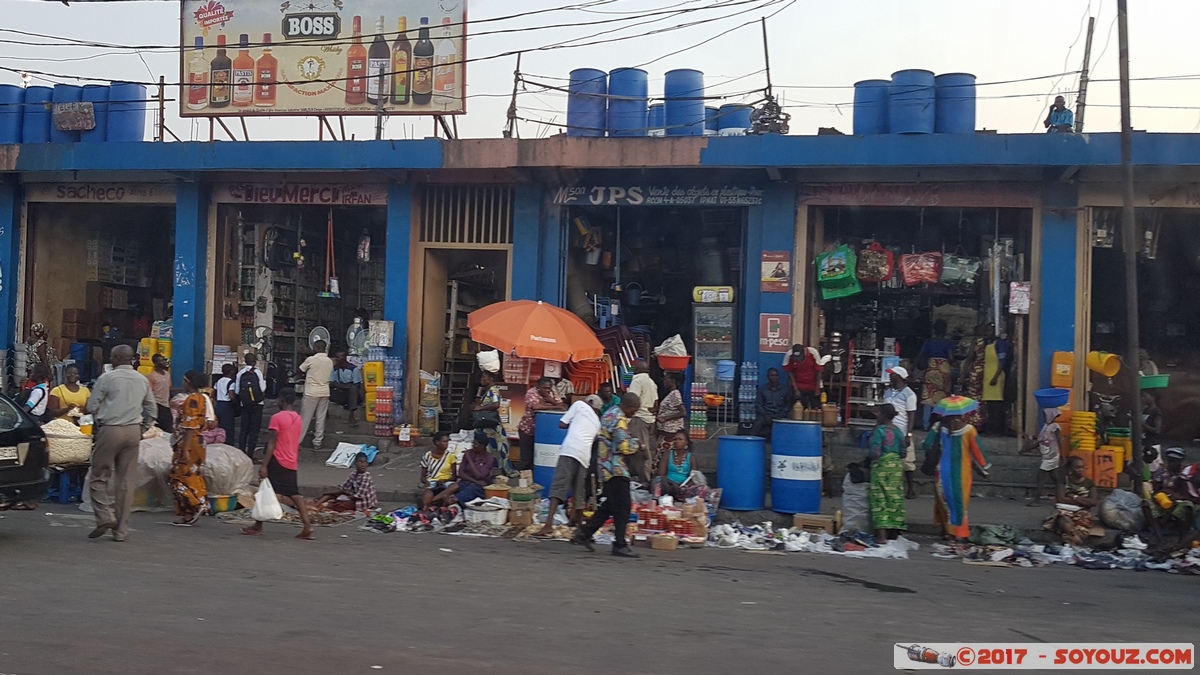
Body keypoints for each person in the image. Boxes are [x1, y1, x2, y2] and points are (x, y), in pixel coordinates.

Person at [85, 344, 157, 542]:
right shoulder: (142, 380)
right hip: (133, 431)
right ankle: (121, 531)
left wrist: (98, 421)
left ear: (117, 358)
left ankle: (105, 517)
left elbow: (92, 405)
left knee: (99, 476)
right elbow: (151, 409)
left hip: (111, 429)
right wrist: (142, 429)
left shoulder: (107, 378)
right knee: (126, 482)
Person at [572, 393, 641, 558]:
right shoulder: (620, 419)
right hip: (616, 469)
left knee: (610, 505)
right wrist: (638, 444)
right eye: (634, 410)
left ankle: (584, 533)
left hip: (604, 466)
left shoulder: (609, 413)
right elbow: (623, 447)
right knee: (623, 507)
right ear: (629, 407)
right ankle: (619, 544)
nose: (634, 414)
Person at [242, 388, 314, 540]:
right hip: (291, 460)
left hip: (277, 459)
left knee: (263, 490)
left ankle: (258, 525)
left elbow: (272, 442)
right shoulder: (298, 418)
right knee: (294, 493)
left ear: (282, 400)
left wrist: (264, 464)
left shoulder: (277, 418)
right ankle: (307, 525)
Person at [534, 395, 602, 537]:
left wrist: (575, 423)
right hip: (584, 456)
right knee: (579, 490)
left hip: (570, 450)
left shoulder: (578, 405)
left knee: (558, 486)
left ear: (588, 402)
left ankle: (548, 525)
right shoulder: (597, 423)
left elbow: (562, 424)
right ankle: (578, 525)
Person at [931, 412, 991, 541]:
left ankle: (946, 531)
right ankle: (959, 532)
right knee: (959, 502)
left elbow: (926, 445)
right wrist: (984, 468)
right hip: (962, 472)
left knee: (943, 501)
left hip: (941, 470)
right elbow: (978, 452)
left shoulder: (937, 427)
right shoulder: (969, 430)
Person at [169, 370, 215, 526]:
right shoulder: (203, 398)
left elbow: (190, 425)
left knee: (177, 477)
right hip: (198, 442)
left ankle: (195, 504)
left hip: (189, 442)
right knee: (193, 474)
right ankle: (189, 513)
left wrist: (186, 450)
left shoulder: (192, 400)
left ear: (188, 382)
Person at [866, 403, 907, 544]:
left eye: (878, 413)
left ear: (882, 415)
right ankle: (894, 534)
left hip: (882, 468)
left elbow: (875, 452)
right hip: (895, 468)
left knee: (880, 499)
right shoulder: (898, 431)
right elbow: (903, 452)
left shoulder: (880, 431)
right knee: (894, 499)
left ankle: (881, 536)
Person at [1042, 456, 1099, 545]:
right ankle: (1073, 535)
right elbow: (1061, 499)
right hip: (1066, 509)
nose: (1080, 470)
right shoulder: (1064, 481)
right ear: (1070, 469)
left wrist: (1073, 497)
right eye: (1077, 468)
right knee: (1063, 519)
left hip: (1082, 511)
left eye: (1082, 467)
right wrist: (1084, 501)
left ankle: (1070, 538)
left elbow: (1093, 502)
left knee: (1082, 523)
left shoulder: (1089, 483)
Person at [882, 366, 919, 499]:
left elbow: (911, 416)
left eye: (892, 374)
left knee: (907, 462)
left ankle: (911, 489)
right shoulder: (887, 392)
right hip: (887, 431)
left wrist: (909, 434)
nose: (890, 377)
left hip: (902, 431)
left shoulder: (909, 394)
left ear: (899, 377)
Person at [1146, 447, 1199, 537]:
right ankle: (1158, 535)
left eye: (1175, 461)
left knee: (1186, 506)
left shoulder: (1185, 474)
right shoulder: (1161, 472)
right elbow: (1156, 490)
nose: (1172, 464)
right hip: (1162, 502)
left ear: (1180, 462)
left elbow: (1187, 494)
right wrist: (1161, 494)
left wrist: (1176, 496)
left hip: (1179, 501)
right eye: (1170, 461)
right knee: (1146, 504)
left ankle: (1182, 536)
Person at [516, 377, 565, 472]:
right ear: (538, 387)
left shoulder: (552, 392)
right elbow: (536, 407)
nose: (547, 390)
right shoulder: (531, 393)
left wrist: (551, 401)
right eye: (544, 388)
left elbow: (562, 406)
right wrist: (555, 407)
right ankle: (525, 482)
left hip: (544, 432)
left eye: (548, 388)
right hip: (528, 430)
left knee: (540, 459)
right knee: (527, 459)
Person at [916, 320, 955, 429]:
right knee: (942, 398)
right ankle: (939, 424)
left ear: (934, 330)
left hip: (931, 370)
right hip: (943, 372)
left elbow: (920, 356)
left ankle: (925, 424)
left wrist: (912, 367)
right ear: (945, 330)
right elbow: (951, 358)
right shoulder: (947, 343)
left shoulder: (928, 342)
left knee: (928, 397)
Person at [1021, 408, 1063, 507]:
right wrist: (1026, 449)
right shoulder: (1045, 427)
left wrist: (1063, 455)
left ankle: (1037, 500)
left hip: (1052, 455)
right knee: (1055, 478)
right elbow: (1039, 442)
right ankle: (1061, 497)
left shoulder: (1055, 427)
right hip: (1047, 454)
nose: (1044, 417)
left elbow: (1059, 441)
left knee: (1041, 477)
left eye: (1045, 415)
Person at [474, 370, 512, 474]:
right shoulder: (487, 390)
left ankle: (502, 469)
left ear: (491, 379)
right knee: (492, 447)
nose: (482, 380)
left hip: (492, 425)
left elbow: (496, 404)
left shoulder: (493, 390)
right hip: (488, 425)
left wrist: (480, 408)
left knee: (498, 447)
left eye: (484, 377)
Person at [625, 359, 658, 482]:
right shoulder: (651, 382)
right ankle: (646, 478)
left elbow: (632, 400)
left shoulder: (637, 380)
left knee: (640, 450)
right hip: (650, 419)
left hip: (639, 419)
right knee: (648, 448)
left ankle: (645, 480)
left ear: (636, 370)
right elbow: (655, 404)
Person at [298, 340, 333, 450]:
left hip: (311, 392)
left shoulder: (311, 359)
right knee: (320, 418)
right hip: (325, 391)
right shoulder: (329, 361)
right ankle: (317, 442)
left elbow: (301, 370)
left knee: (305, 418)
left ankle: (298, 441)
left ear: (317, 348)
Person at [235, 353, 266, 459]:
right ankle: (250, 454)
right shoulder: (258, 372)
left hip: (245, 404)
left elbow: (237, 390)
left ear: (245, 361)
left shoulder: (240, 373)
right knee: (255, 429)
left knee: (244, 428)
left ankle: (241, 453)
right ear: (255, 362)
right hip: (257, 404)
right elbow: (262, 388)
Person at [457, 429, 498, 504]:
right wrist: (474, 481)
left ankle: (455, 501)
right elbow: (460, 473)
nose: (473, 446)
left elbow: (479, 476)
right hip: (467, 482)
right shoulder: (469, 453)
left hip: (480, 487)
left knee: (472, 490)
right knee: (455, 486)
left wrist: (469, 459)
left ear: (482, 446)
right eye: (473, 443)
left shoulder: (489, 458)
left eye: (475, 444)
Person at [420, 430, 460, 507]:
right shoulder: (427, 456)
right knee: (427, 495)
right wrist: (427, 482)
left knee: (455, 486)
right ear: (437, 442)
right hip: (432, 482)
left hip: (446, 482)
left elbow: (454, 477)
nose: (446, 444)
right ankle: (428, 504)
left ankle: (433, 500)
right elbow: (422, 476)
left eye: (447, 442)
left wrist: (444, 480)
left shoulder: (451, 456)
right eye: (444, 442)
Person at [982, 326, 1010, 435]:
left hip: (996, 376)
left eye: (989, 330)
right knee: (990, 404)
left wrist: (995, 377)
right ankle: (991, 428)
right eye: (986, 330)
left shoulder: (1000, 344)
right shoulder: (988, 343)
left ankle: (996, 429)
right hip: (988, 376)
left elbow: (1002, 362)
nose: (987, 332)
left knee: (996, 405)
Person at [654, 371, 686, 462]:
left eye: (666, 379)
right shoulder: (671, 394)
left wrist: (665, 418)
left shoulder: (675, 394)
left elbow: (683, 412)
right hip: (665, 432)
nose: (664, 382)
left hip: (670, 433)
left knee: (662, 460)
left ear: (672, 381)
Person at [655, 429, 696, 500]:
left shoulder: (691, 457)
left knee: (700, 488)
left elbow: (694, 477)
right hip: (668, 485)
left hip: (683, 487)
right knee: (658, 481)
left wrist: (684, 486)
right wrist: (673, 484)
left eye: (680, 439)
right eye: (675, 439)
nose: (677, 442)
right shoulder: (667, 454)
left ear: (686, 442)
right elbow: (661, 475)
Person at [960, 324, 987, 429]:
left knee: (973, 395)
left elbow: (970, 357)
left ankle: (974, 420)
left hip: (977, 370)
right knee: (982, 397)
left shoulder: (977, 341)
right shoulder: (989, 341)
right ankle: (982, 421)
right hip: (987, 370)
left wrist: (963, 374)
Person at [751, 367, 791, 438]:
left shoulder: (784, 389)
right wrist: (766, 416)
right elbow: (758, 405)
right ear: (768, 377)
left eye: (776, 375)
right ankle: (751, 443)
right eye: (772, 375)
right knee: (756, 426)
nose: (774, 377)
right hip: (765, 415)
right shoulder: (762, 389)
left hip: (780, 415)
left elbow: (788, 405)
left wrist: (780, 414)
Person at [782, 343, 823, 409]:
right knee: (797, 408)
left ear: (804, 352)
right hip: (798, 386)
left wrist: (817, 389)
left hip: (813, 385)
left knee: (815, 408)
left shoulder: (813, 352)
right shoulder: (789, 355)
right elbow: (790, 373)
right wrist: (795, 390)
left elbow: (819, 371)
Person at [329, 351, 363, 425]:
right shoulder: (335, 369)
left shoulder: (353, 369)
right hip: (340, 393)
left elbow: (357, 384)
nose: (336, 359)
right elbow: (331, 382)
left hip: (352, 395)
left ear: (343, 358)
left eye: (338, 357)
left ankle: (351, 415)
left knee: (353, 388)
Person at [147, 353, 173, 433]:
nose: (164, 362)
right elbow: (149, 392)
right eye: (161, 361)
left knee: (168, 426)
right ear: (156, 363)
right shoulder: (152, 376)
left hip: (166, 405)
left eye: (164, 360)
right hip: (157, 404)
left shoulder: (167, 374)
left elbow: (169, 388)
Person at [213, 363, 238, 444]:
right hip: (227, 406)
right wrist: (236, 402)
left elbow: (213, 392)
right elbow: (231, 396)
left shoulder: (218, 381)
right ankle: (228, 444)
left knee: (219, 426)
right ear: (231, 372)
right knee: (228, 428)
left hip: (219, 404)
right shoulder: (231, 383)